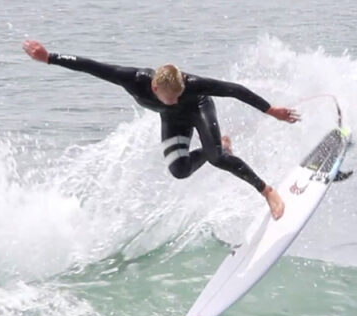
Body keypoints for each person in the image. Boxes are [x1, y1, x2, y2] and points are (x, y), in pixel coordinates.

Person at [22, 40, 301, 220]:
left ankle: (266, 191)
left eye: (180, 92)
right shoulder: (132, 79)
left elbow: (234, 90)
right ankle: (218, 146)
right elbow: (92, 66)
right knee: (179, 170)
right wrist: (50, 58)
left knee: (217, 159)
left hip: (199, 109)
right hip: (172, 120)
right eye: (172, 96)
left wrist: (270, 110)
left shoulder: (191, 86)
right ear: (155, 88)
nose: (177, 97)